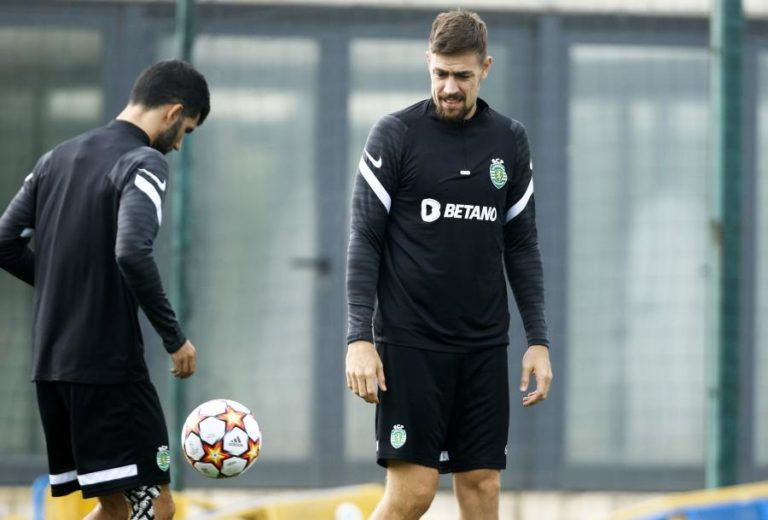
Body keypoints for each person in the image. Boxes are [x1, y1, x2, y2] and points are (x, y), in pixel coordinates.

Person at [345, 10, 552, 519]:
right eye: (440, 74)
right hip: (411, 345)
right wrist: (359, 338)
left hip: (483, 346)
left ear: (485, 67)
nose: (450, 88)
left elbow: (522, 245)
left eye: (462, 75)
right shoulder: (394, 135)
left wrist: (538, 341)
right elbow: (365, 238)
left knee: (482, 486)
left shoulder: (509, 140)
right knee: (413, 493)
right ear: (427, 65)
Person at [0, 59, 209, 520]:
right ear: (173, 113)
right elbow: (132, 251)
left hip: (52, 368)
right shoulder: (144, 160)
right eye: (187, 131)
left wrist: (67, 287)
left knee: (116, 508)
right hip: (107, 370)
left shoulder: (56, 158)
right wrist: (174, 338)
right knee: (156, 507)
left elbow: (5, 242)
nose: (179, 144)